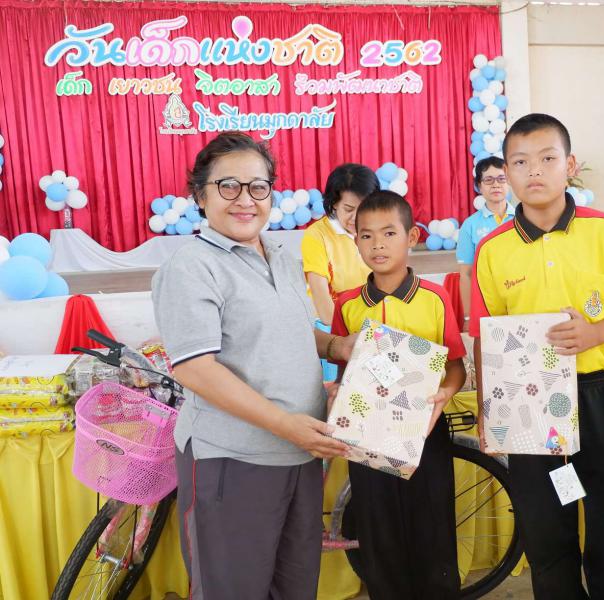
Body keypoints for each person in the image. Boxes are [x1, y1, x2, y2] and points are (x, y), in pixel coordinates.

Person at [151, 132, 355, 600]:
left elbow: (290, 331)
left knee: (294, 586)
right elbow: (196, 369)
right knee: (233, 589)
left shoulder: (280, 256)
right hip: (233, 461)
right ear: (200, 195)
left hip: (300, 454)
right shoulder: (191, 267)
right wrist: (285, 425)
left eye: (258, 187)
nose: (245, 199)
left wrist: (336, 346)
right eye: (228, 186)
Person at [470, 113, 604, 599]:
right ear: (506, 173)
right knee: (546, 528)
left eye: (547, 158)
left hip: (601, 395)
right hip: (528, 403)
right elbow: (486, 336)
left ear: (569, 165)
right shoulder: (492, 250)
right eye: (520, 162)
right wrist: (491, 412)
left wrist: (594, 334)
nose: (534, 171)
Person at [330, 191, 467, 599]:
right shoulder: (348, 305)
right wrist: (336, 393)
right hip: (367, 438)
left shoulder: (435, 299)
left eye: (389, 233)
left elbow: (455, 367)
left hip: (425, 434)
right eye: (366, 235)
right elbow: (344, 371)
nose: (378, 244)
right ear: (355, 240)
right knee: (379, 538)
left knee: (433, 534)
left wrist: (446, 392)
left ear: (412, 237)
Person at [301, 163, 378, 324]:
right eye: (348, 209)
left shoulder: (379, 229)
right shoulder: (316, 235)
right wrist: (343, 333)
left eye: (364, 208)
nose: (356, 218)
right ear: (334, 203)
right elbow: (321, 298)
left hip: (371, 319)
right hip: (333, 323)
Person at [456, 156, 515, 315]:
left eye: (501, 179)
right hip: (487, 301)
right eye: (488, 180)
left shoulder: (524, 218)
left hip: (521, 299)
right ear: (479, 186)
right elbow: (466, 274)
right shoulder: (470, 225)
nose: (496, 185)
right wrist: (468, 317)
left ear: (509, 182)